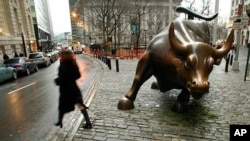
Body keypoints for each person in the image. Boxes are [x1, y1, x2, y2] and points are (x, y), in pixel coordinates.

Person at [54, 48, 92, 129]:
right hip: (73, 88)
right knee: (80, 105)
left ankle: (60, 121)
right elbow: (78, 75)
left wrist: (58, 81)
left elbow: (61, 78)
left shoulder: (62, 65)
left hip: (65, 90)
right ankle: (88, 122)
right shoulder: (73, 63)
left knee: (62, 106)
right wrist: (71, 78)